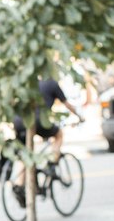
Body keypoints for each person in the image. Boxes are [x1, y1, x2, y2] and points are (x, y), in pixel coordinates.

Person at [13, 75, 83, 205]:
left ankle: (18, 184)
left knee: (25, 153)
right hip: (37, 121)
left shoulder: (28, 82)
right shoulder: (52, 83)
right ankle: (52, 163)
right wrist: (80, 116)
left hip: (17, 121)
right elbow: (67, 105)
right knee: (58, 134)